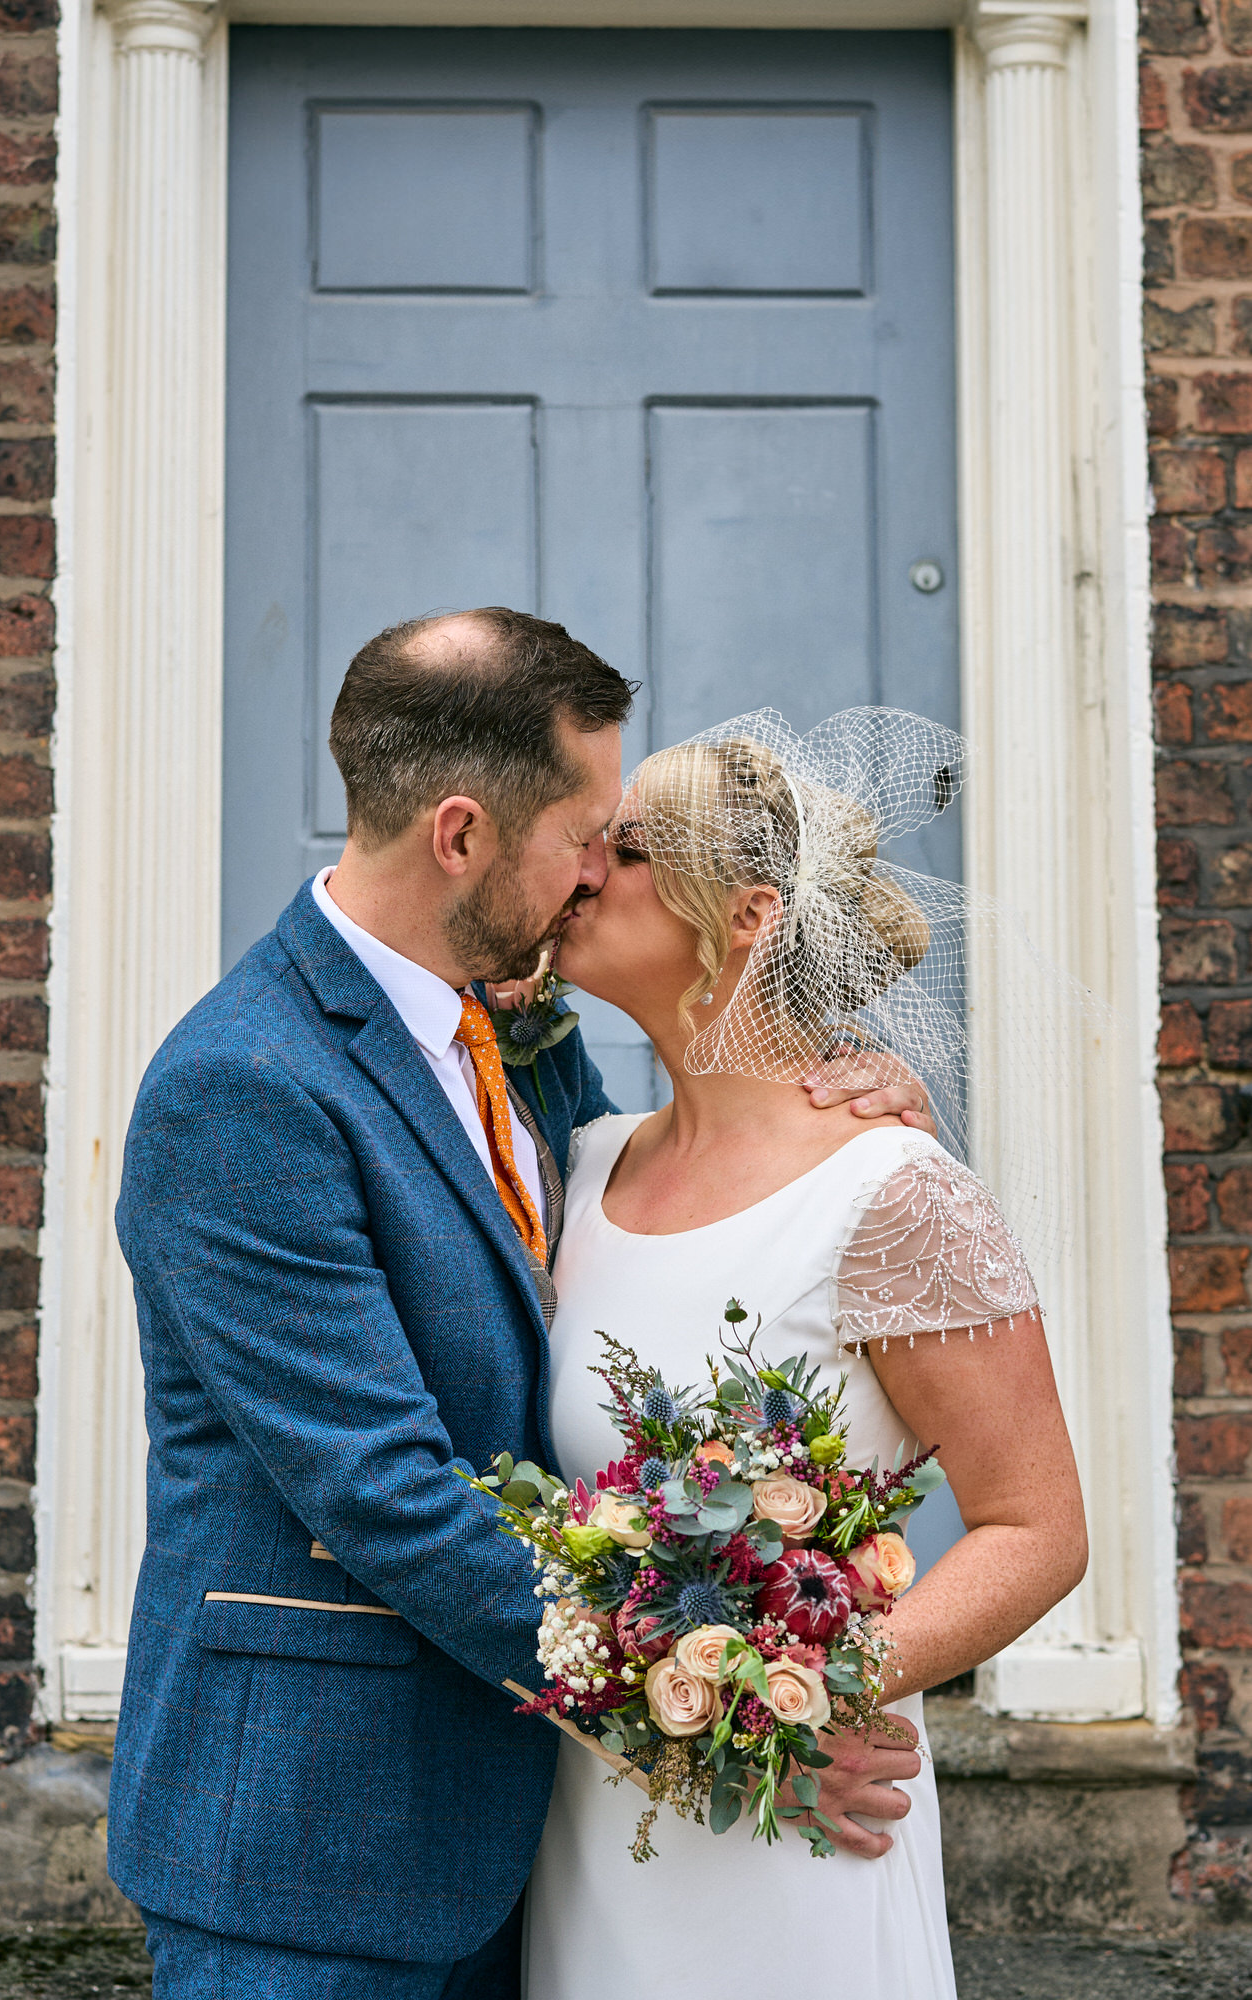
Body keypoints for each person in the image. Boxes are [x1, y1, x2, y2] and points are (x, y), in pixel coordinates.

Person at [107, 610, 928, 1999]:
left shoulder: (521, 1040)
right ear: (461, 835)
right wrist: (720, 1711)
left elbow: (649, 1264)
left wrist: (836, 1105)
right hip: (311, 1842)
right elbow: (385, 1491)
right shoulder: (243, 1088)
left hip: (519, 1833)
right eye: (585, 834)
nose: (600, 872)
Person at [525, 717, 1089, 2000]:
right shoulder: (586, 1162)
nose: (581, 870)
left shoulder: (892, 1190)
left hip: (803, 1823)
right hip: (596, 1819)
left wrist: (786, 1694)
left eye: (627, 847)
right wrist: (644, 1698)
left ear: (747, 914)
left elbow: (1037, 1524)